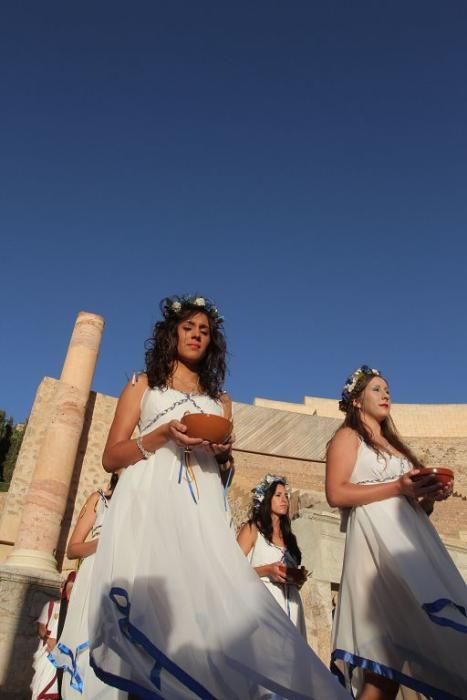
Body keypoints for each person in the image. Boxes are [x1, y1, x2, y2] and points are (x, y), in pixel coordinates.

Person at [88, 294, 349, 700]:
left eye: (204, 331)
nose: (196, 335)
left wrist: (223, 455)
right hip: (151, 504)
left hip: (202, 510)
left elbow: (226, 466)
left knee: (203, 614)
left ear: (212, 341)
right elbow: (110, 456)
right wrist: (159, 435)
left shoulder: (220, 399)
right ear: (172, 332)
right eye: (188, 327)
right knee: (153, 612)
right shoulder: (143, 386)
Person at [326, 365, 467, 700]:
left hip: (410, 543)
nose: (386, 394)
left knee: (387, 672)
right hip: (376, 551)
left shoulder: (396, 447)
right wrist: (399, 486)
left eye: (387, 389)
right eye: (376, 389)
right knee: (383, 667)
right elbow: (337, 493)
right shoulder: (349, 437)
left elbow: (410, 501)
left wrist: (428, 495)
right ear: (356, 400)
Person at [49, 475, 124, 699]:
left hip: (123, 578)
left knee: (115, 649)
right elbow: (73, 549)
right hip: (93, 575)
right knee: (87, 640)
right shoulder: (98, 499)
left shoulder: (144, 502)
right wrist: (102, 543)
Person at [237, 474, 307, 638]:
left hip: (292, 607)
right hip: (263, 609)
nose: (284, 500)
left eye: (286, 496)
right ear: (266, 499)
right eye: (278, 495)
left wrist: (298, 577)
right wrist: (268, 570)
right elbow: (232, 570)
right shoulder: (252, 529)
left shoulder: (289, 537)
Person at [31, 573, 75, 700]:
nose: (70, 592)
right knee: (41, 687)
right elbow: (40, 628)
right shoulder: (51, 605)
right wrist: (48, 639)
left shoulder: (77, 610)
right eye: (69, 588)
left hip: (66, 655)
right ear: (63, 589)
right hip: (47, 654)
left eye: (73, 589)